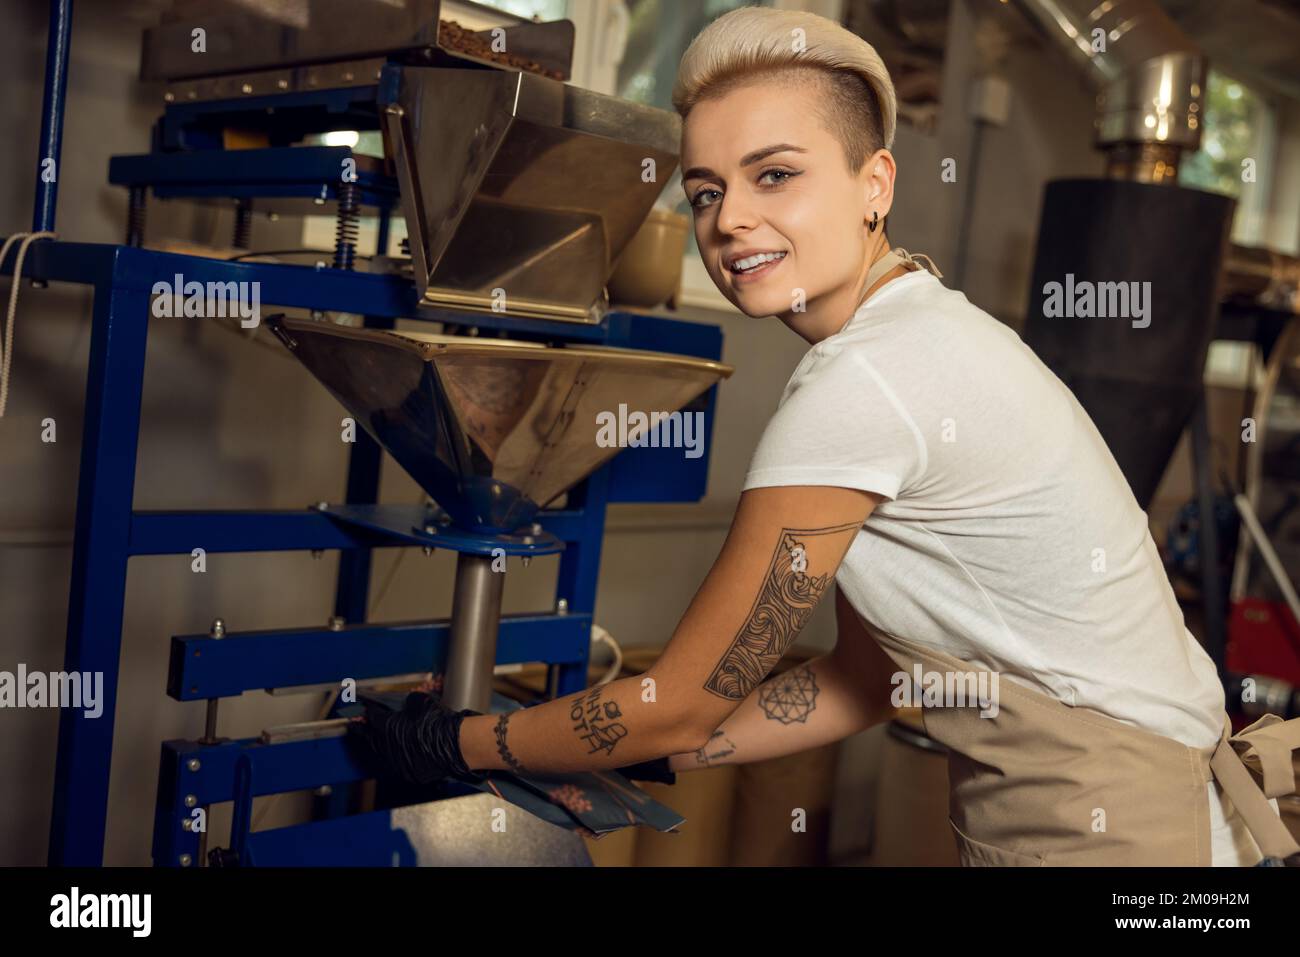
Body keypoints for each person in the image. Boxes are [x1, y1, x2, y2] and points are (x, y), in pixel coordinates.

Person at [352, 6, 1300, 866]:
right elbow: (863, 678)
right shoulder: (922, 330)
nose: (733, 222)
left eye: (776, 175)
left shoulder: (865, 381)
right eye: (708, 190)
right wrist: (678, 749)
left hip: (1127, 837)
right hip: (1169, 821)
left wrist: (457, 740)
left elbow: (677, 693)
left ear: (873, 182)